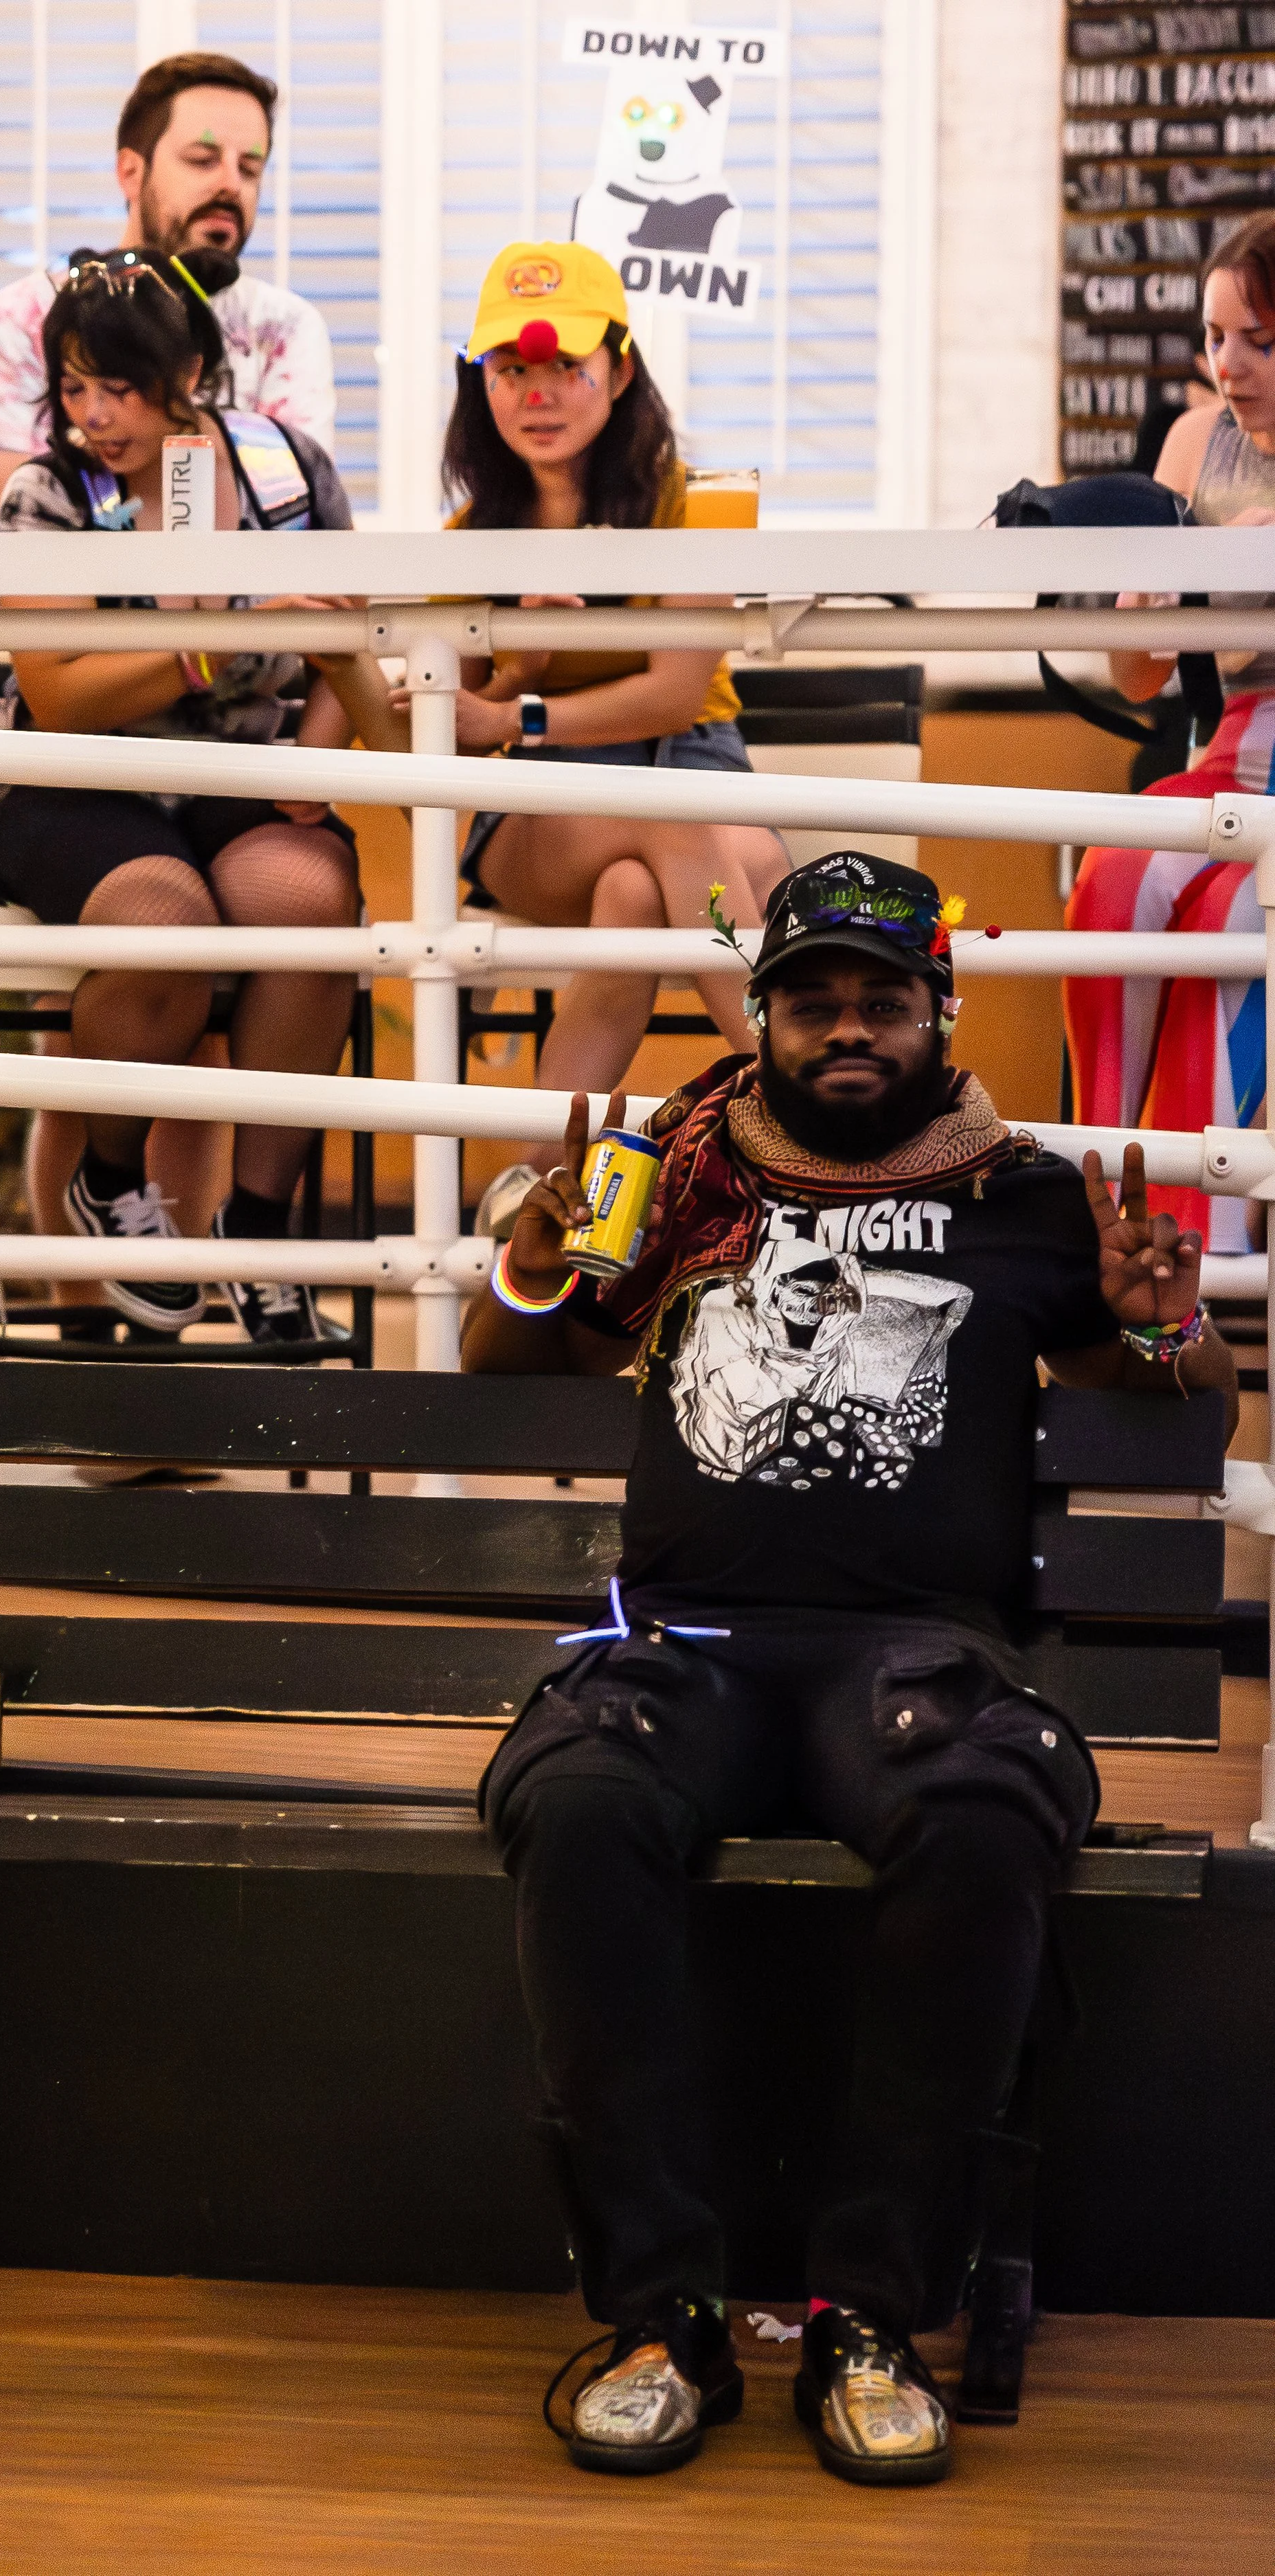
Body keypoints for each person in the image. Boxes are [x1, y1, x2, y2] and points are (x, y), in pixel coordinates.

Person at [463, 848, 1237, 2485]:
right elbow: (506, 1355)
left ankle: (870, 2311)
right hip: (685, 1650)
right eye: (812, 999)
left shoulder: (1022, 1190)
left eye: (882, 999)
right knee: (584, 1805)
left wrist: (1160, 1322)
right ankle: (657, 2310)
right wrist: (535, 1256)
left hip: (916, 1657)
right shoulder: (658, 1168)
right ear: (765, 1014)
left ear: (936, 1010)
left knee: (981, 1815)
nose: (848, 1029)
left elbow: (1182, 1402)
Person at [317, 240, 787, 1241]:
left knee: (641, 884)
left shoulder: (688, 504)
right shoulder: (470, 539)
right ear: (478, 381)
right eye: (511, 368)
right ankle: (811, 1106)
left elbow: (672, 694)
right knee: (679, 833)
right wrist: (500, 675)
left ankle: (537, 1177)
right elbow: (432, 741)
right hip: (548, 807)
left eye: (565, 366)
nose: (539, 392)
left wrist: (517, 707)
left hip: (695, 768)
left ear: (618, 371)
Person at [0, 248, 361, 1345]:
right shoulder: (49, 490)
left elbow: (346, 640)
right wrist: (209, 648)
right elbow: (62, 693)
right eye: (75, 387)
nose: (95, 416)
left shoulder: (287, 466)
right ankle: (111, 1174)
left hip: (238, 766)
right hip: (71, 775)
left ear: (193, 368)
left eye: (120, 387)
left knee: (310, 905)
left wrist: (316, 783)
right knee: (164, 921)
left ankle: (262, 1232)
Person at [1067, 211, 1275, 1254]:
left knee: (1236, 918)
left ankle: (1209, 1245)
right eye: (1216, 338)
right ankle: (1099, 1197)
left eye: (1262, 342)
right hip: (1233, 752)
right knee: (1112, 874)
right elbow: (1138, 674)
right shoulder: (1198, 442)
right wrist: (1142, 600)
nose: (1229, 367)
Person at [0, 50, 335, 532]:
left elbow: (299, 529)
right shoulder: (24, 318)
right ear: (130, 171)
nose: (231, 185)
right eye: (202, 159)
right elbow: (8, 561)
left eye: (250, 168)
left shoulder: (284, 328)